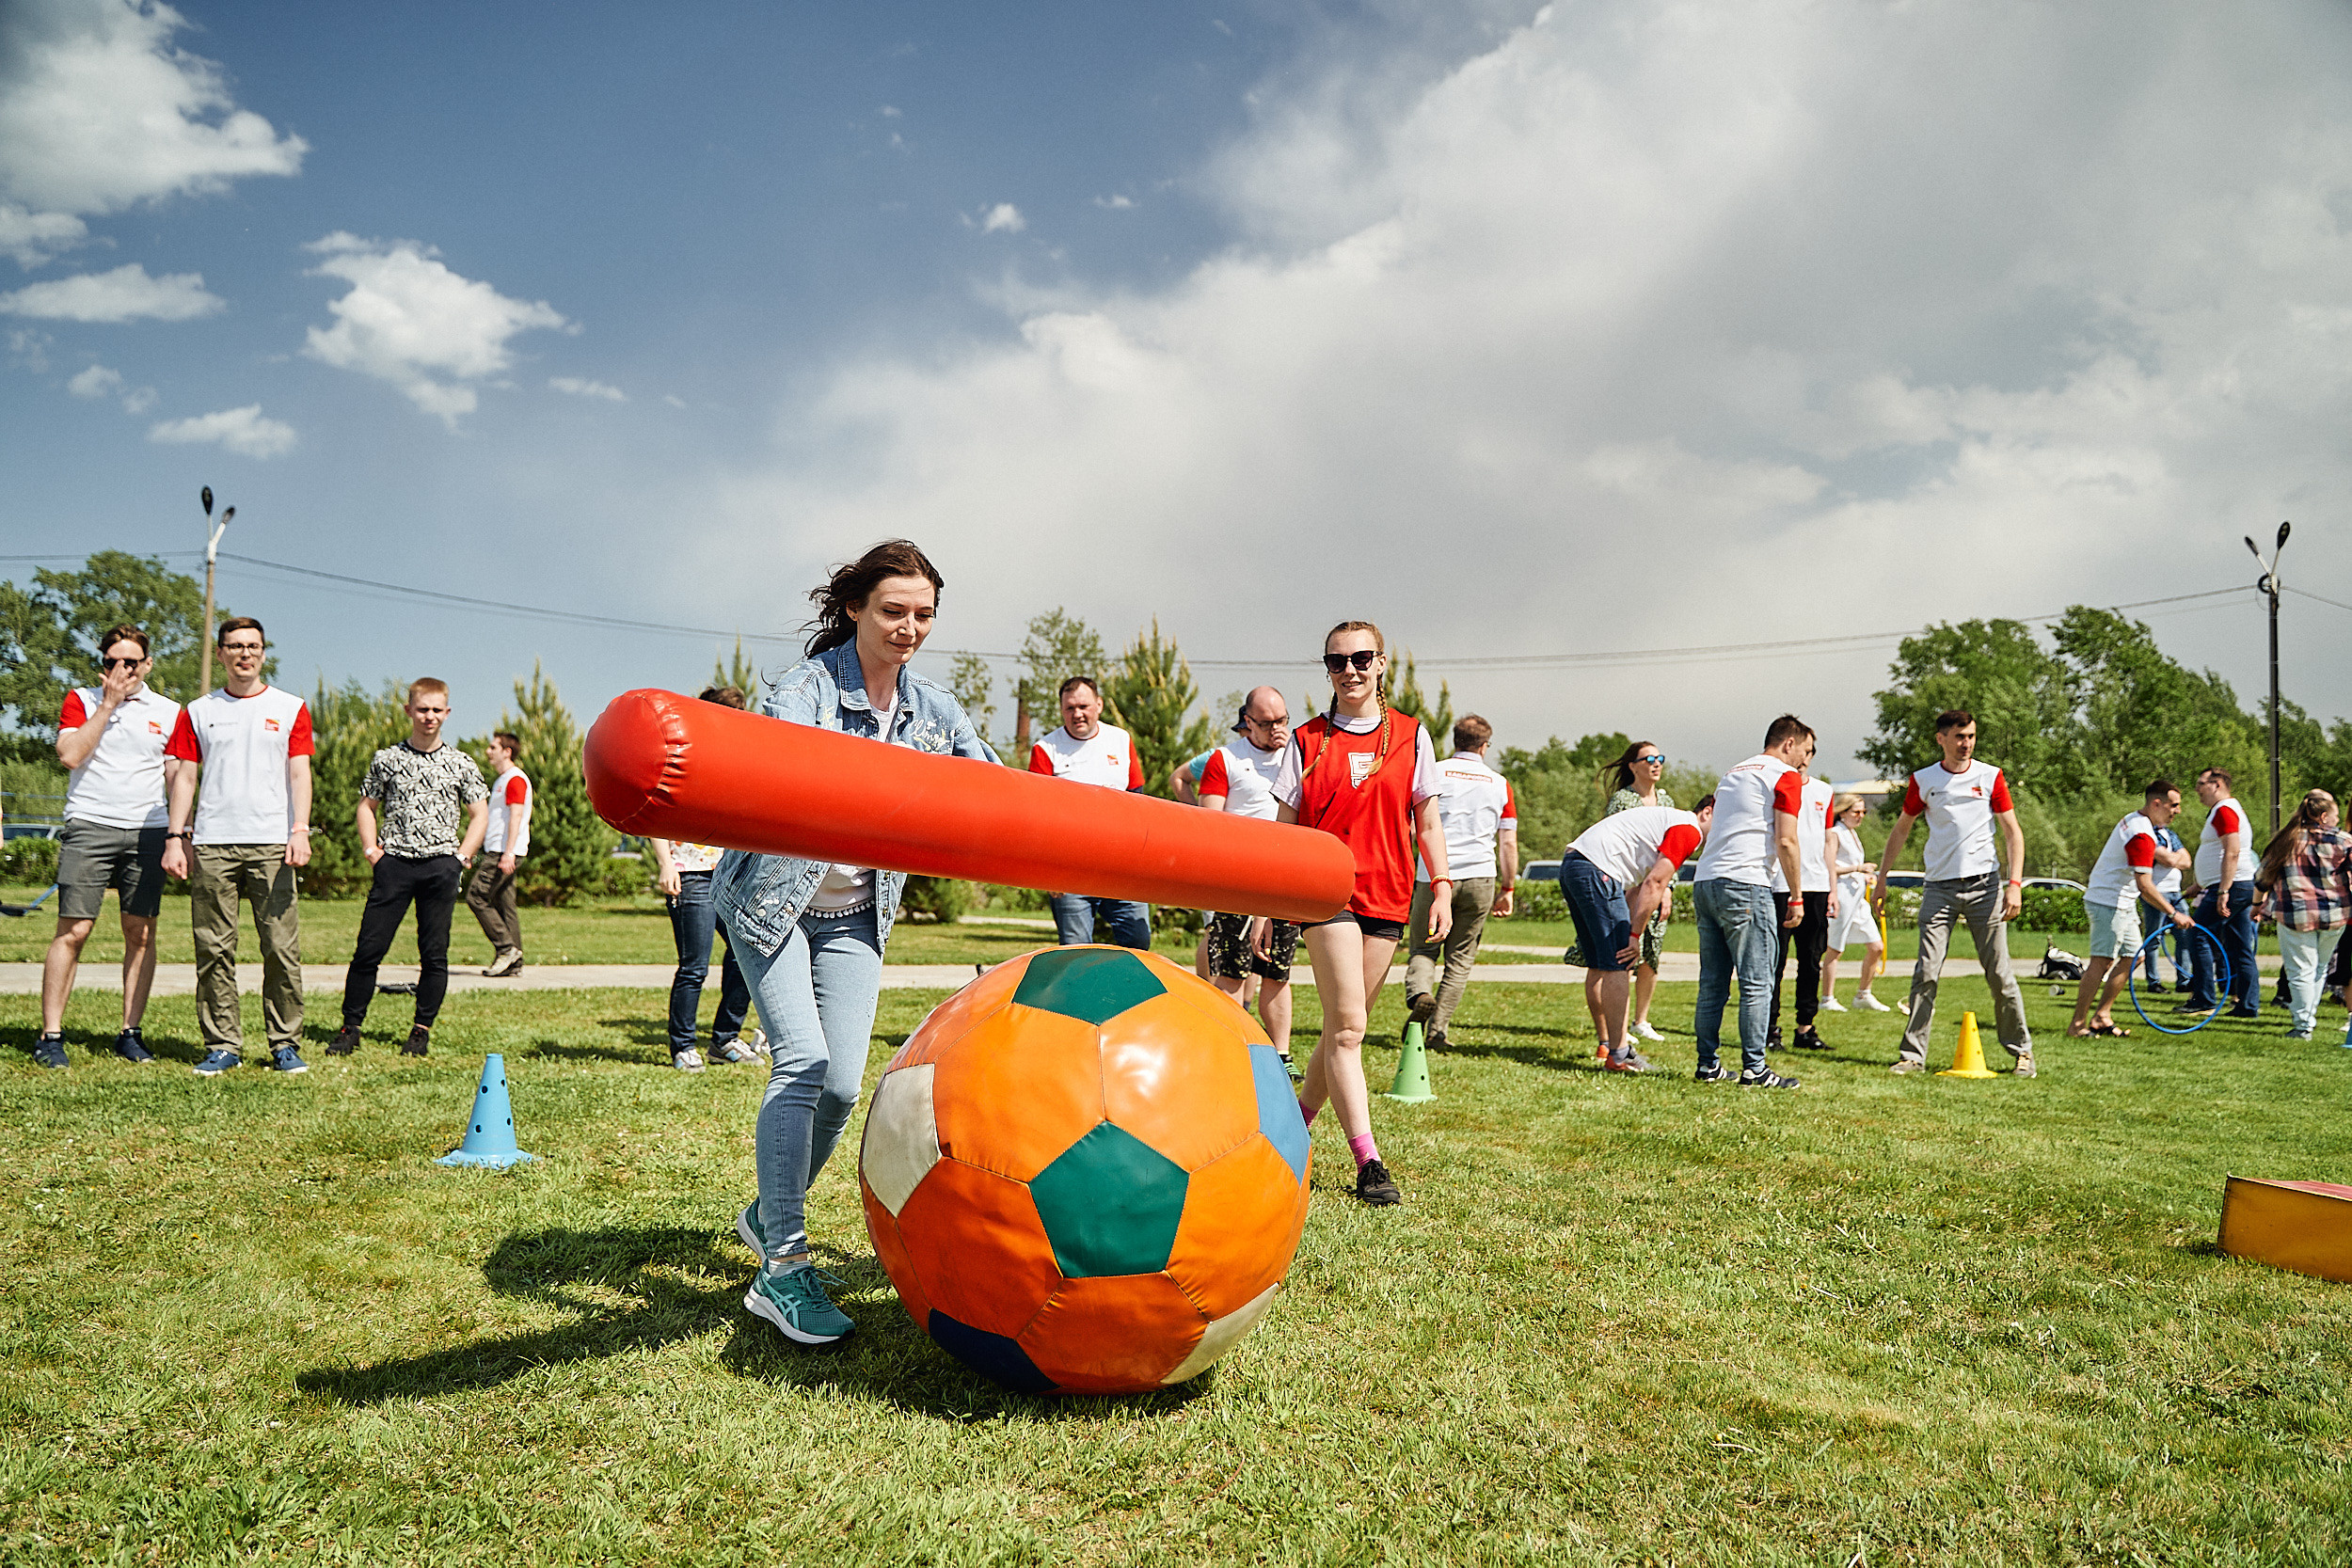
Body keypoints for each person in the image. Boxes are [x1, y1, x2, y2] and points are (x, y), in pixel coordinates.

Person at [717, 539, 996, 1344]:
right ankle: (784, 1266)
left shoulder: (934, 710)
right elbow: (786, 778)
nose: (909, 627)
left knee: (842, 1086)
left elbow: (990, 785)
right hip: (772, 901)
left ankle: (766, 1211)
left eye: (924, 615)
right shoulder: (803, 690)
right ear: (854, 609)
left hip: (853, 914)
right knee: (800, 1062)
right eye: (893, 611)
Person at [1276, 621, 1452, 1206]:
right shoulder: (1306, 741)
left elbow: (1427, 821)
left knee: (1341, 1028)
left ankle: (1292, 1128)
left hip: (1389, 895)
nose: (1348, 670)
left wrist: (1444, 886)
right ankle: (1369, 1161)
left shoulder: (1412, 736)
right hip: (1327, 897)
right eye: (1335, 661)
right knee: (1349, 1028)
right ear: (1326, 670)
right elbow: (1285, 833)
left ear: (1381, 664)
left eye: (1360, 658)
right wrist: (1269, 906)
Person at [161, 619, 315, 1076]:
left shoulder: (290, 708)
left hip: (272, 842)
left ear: (264, 653)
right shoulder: (196, 710)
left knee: (280, 948)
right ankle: (223, 1043)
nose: (244, 654)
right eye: (235, 647)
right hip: (212, 843)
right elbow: (184, 776)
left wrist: (300, 828)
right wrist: (175, 836)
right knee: (213, 948)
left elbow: (299, 773)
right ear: (221, 653)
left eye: (253, 647)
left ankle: (285, 1043)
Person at [35, 625, 182, 1069]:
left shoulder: (171, 710)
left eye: (131, 662)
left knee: (140, 933)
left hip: (149, 829)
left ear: (147, 664)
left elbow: (177, 776)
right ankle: (51, 1035)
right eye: (111, 662)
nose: (121, 670)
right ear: (102, 665)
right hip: (90, 824)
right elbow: (70, 755)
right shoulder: (82, 699)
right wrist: (110, 704)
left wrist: (180, 832)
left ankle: (130, 1033)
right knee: (74, 931)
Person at [1870, 709, 2035, 1077]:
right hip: (1938, 889)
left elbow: (2012, 833)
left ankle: (2022, 1053)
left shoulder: (1990, 776)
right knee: (1926, 972)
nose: (1967, 744)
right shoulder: (1923, 780)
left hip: (1985, 887)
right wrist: (1882, 878)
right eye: (1960, 737)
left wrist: (2014, 885)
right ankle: (1912, 1056)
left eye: (1972, 736)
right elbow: (1901, 830)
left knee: (1999, 974)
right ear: (1941, 739)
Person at [327, 679, 487, 1058]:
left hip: (440, 867)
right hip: (394, 865)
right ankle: (351, 1027)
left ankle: (420, 1030)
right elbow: (366, 806)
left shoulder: (461, 762)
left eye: (436, 710)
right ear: (408, 711)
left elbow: (479, 814)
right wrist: (372, 851)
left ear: (447, 713)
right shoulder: (387, 760)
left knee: (434, 953)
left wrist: (461, 858)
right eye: (422, 709)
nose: (429, 717)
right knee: (369, 949)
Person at [646, 687, 769, 1072]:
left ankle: (725, 1039)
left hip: (729, 875)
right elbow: (657, 816)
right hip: (690, 875)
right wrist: (666, 863)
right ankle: (683, 1046)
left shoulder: (736, 763)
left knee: (743, 957)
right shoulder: (681, 758)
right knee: (694, 966)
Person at [1691, 717, 1813, 1089]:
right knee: (1758, 981)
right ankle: (1755, 1068)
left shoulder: (1733, 772)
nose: (1804, 762)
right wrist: (1796, 895)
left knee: (1712, 982)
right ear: (1789, 743)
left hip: (1707, 879)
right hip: (1746, 883)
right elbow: (1787, 840)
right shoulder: (1783, 775)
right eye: (1805, 752)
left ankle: (1708, 1064)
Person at [1560, 797, 1713, 1071]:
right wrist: (1634, 935)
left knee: (1600, 963)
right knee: (1619, 962)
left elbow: (1637, 887)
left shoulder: (1669, 820)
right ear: (1707, 812)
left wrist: (1629, 929)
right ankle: (1620, 1054)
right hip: (1598, 869)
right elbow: (1655, 883)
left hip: (1576, 864)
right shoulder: (1689, 829)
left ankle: (1609, 1045)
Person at [1404, 715, 1518, 1053]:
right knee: (1460, 959)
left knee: (1424, 948)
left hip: (1435, 874)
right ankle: (1438, 1031)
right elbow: (1509, 842)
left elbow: (1412, 826)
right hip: (1481, 875)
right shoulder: (1500, 783)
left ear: (1455, 740)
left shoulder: (1432, 771)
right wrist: (1508, 888)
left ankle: (1420, 994)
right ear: (1485, 745)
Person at [1199, 688, 1297, 1069]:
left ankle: (1282, 1056)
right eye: (1268, 723)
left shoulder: (1299, 757)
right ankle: (1226, 1052)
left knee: (1277, 972)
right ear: (1248, 723)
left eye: (1282, 720)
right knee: (1232, 972)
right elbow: (1211, 823)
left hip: (1284, 881)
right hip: (1239, 882)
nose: (1277, 730)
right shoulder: (1226, 759)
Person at [1028, 675, 1151, 949]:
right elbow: (1037, 816)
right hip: (1071, 870)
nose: (1077, 714)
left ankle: (1125, 993)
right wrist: (1049, 870)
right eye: (1069, 708)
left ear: (1099, 705)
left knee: (1139, 943)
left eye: (1083, 706)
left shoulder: (1120, 740)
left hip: (1121, 866)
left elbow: (1138, 801)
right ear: (1061, 710)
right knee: (1076, 951)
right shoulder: (1046, 750)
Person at [2069, 780, 2194, 1038]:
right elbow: (2145, 886)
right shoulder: (2141, 835)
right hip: (2108, 901)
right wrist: (2174, 913)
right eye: (2174, 805)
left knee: (2134, 956)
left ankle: (2102, 1016)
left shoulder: (2139, 821)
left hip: (2122, 901)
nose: (2178, 811)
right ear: (2156, 804)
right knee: (2102, 961)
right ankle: (2077, 1025)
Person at [2253, 789, 2352, 1039]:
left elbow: (2262, 877)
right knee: (2318, 968)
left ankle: (2303, 1024)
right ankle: (2308, 1017)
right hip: (2335, 914)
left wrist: (2257, 905)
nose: (2337, 821)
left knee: (2300, 970)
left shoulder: (2287, 840)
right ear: (2323, 816)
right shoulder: (2344, 841)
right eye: (2336, 816)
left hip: (2296, 913)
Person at [1597, 741, 1674, 1041]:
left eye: (1660, 758)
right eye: (1649, 759)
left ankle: (1641, 1020)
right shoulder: (1622, 800)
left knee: (1651, 953)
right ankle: (1620, 1021)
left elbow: (1672, 849)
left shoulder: (1666, 800)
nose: (1656, 764)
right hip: (1628, 887)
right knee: (1625, 953)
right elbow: (1612, 844)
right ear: (1633, 766)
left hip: (1658, 886)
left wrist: (1666, 888)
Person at [1766, 769, 1838, 1053]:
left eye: (1808, 751)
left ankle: (1805, 1028)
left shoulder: (1824, 791)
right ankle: (1770, 1029)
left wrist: (1832, 887)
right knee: (1776, 961)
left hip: (1816, 885)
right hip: (1781, 883)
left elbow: (1829, 841)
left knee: (1811, 961)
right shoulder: (1776, 785)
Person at [2180, 768, 2260, 1020]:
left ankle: (2204, 999)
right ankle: (2247, 1006)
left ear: (2216, 785)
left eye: (2200, 783)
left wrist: (2223, 890)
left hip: (2231, 886)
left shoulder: (2224, 810)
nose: (2196, 790)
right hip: (2235, 885)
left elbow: (2232, 851)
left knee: (2198, 935)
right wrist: (2201, 884)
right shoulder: (2227, 809)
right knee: (2239, 946)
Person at [466, 730, 532, 977]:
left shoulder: (515, 779)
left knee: (476, 897)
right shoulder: (503, 780)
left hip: (503, 852)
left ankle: (506, 949)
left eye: (493, 747)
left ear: (507, 751)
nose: (488, 751)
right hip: (500, 850)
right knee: (505, 905)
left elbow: (516, 816)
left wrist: (508, 853)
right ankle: (514, 964)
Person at [1820, 794, 1889, 1011]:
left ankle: (1863, 994)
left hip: (1858, 896)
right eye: (1856, 812)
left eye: (1863, 812)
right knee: (1835, 948)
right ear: (1843, 812)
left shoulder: (1852, 834)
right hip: (1842, 894)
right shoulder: (1835, 833)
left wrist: (1864, 875)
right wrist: (1858, 869)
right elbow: (1829, 866)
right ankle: (1827, 998)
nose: (1861, 816)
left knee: (1876, 946)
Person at [2137, 815, 2190, 991]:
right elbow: (2169, 860)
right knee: (2154, 937)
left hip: (2176, 892)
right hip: (2156, 891)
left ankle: (2184, 981)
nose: (2173, 814)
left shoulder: (2170, 834)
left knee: (2185, 936)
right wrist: (2174, 858)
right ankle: (2154, 982)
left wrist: (2171, 858)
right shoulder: (2148, 834)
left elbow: (2187, 861)